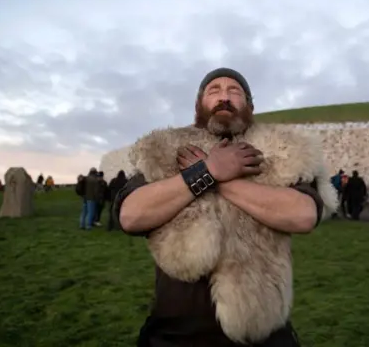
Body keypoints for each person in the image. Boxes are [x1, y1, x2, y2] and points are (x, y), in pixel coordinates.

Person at [112, 67, 338, 347]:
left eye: (234, 91)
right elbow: (132, 215)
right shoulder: (163, 148)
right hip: (175, 335)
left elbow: (303, 215)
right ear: (199, 105)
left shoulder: (282, 150)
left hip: (263, 335)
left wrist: (217, 178)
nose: (224, 97)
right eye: (214, 90)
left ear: (249, 105)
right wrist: (207, 169)